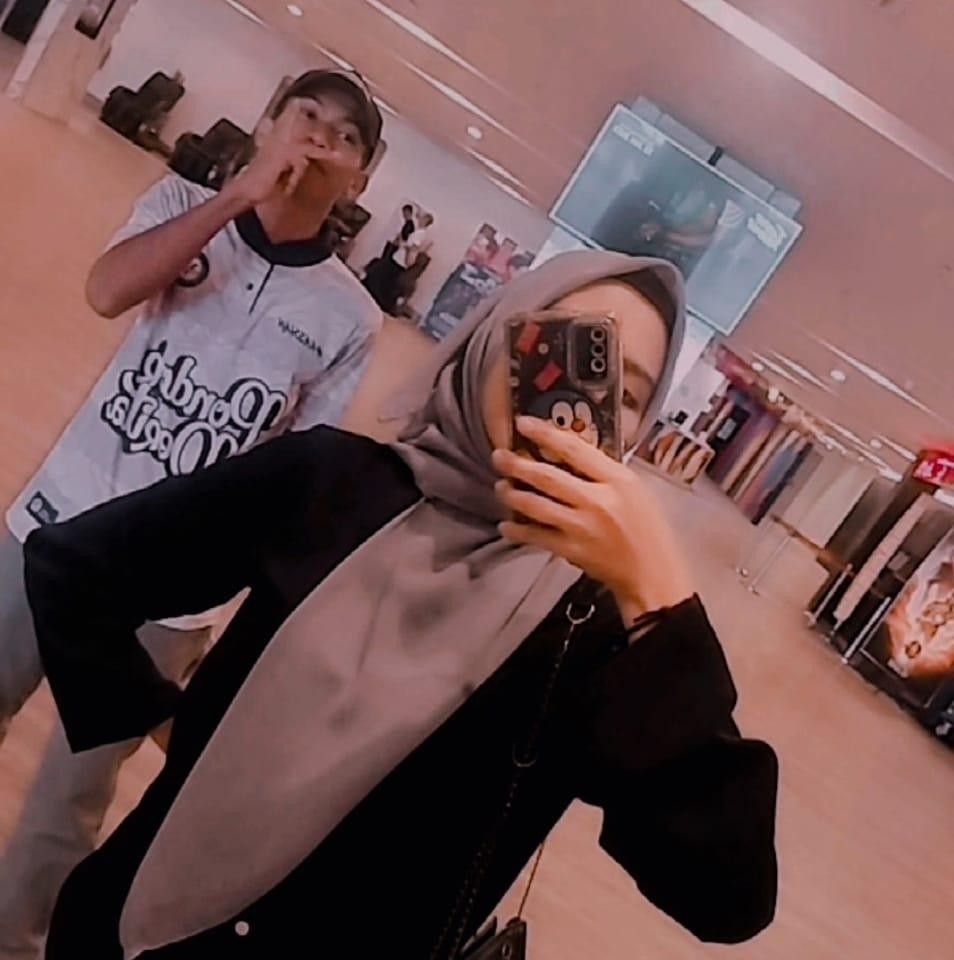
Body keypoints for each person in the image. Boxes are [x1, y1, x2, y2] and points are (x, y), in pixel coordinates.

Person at [29, 251, 778, 959]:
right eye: (564, 351)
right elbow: (74, 569)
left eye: (626, 393)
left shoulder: (595, 631)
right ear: (492, 340)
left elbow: (726, 896)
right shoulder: (330, 482)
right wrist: (169, 722)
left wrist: (657, 595)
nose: (575, 401)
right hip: (133, 934)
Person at [0, 69, 383, 959]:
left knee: (70, 802)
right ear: (267, 122)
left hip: (170, 596)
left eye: (346, 137)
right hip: (53, 524)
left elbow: (297, 477)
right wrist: (238, 196)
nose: (320, 139)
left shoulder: (351, 317)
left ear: (359, 180)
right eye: (306, 115)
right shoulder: (179, 203)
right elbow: (108, 289)